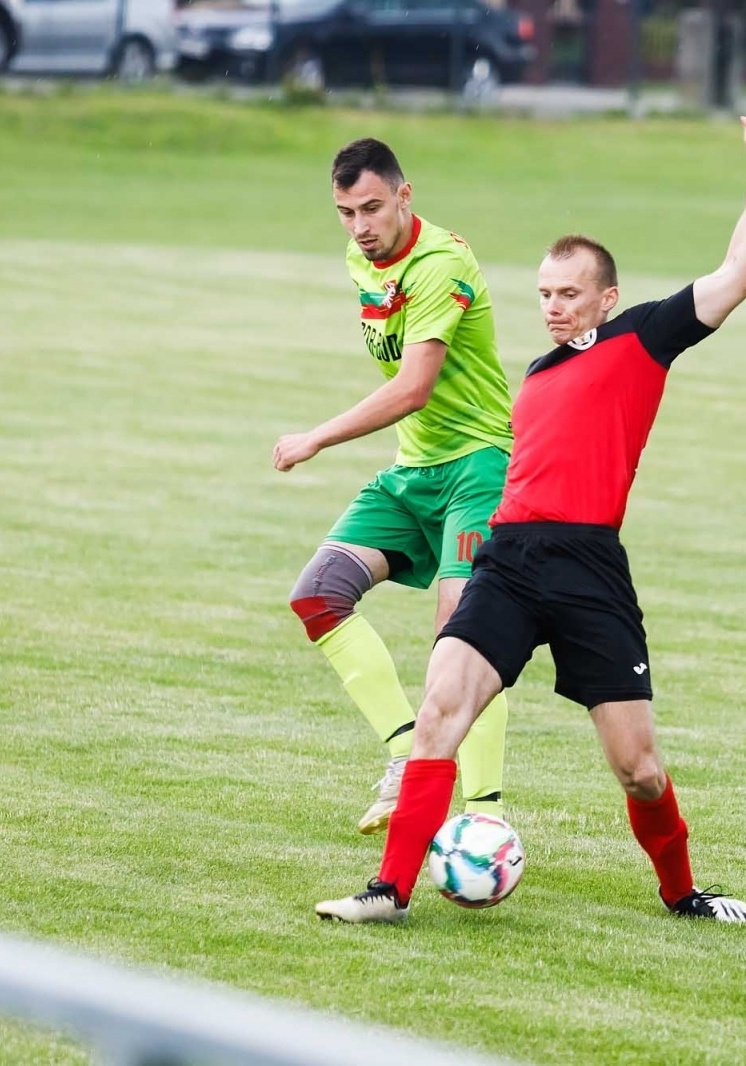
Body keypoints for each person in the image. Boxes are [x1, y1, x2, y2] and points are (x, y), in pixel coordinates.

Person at [315, 111, 746, 923]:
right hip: (508, 559)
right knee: (440, 711)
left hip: (588, 569)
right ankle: (389, 890)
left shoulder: (643, 337)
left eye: (569, 294)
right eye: (542, 294)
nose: (554, 307)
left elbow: (738, 273)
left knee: (637, 766)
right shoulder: (535, 373)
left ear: (606, 295)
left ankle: (684, 895)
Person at [274, 138, 514, 834]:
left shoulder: (440, 264)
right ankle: (409, 754)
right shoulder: (364, 259)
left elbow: (414, 389)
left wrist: (317, 436)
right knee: (318, 594)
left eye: (372, 208)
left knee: (463, 640)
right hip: (415, 471)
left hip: (478, 466)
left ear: (405, 197)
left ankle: (483, 818)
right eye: (346, 212)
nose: (359, 227)